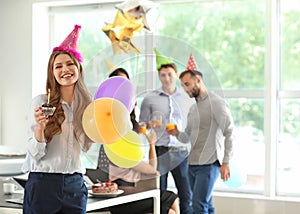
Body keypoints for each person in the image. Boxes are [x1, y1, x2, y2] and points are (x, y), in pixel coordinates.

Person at [22, 25, 93, 214]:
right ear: (52, 72)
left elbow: (87, 147)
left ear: (78, 68)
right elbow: (35, 154)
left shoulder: (87, 106)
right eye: (58, 66)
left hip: (75, 185)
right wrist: (40, 128)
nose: (65, 70)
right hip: (43, 183)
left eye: (70, 64)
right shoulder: (41, 102)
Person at [105, 67, 180, 214]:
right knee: (171, 205)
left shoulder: (130, 126)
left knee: (172, 202)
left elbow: (152, 170)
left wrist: (150, 141)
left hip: (133, 189)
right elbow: (152, 170)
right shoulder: (114, 131)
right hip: (122, 195)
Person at [167, 67, 235, 214]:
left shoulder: (216, 103)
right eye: (183, 85)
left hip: (209, 163)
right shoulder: (193, 109)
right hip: (192, 164)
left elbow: (229, 132)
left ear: (198, 80)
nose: (185, 89)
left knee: (199, 205)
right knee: (206, 205)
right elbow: (187, 137)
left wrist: (226, 162)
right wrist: (176, 133)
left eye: (187, 84)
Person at [139, 48, 194, 214]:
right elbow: (141, 125)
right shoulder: (150, 98)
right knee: (159, 194)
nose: (167, 78)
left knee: (186, 194)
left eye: (170, 74)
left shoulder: (187, 98)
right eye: (163, 75)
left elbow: (193, 124)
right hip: (159, 151)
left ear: (176, 75)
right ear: (159, 76)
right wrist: (148, 124)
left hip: (181, 151)